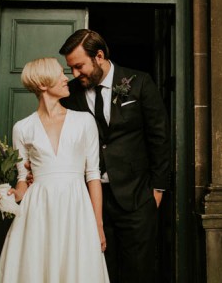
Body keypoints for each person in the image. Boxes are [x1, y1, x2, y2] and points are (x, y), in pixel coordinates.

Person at [58, 29, 171, 283]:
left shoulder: (140, 82)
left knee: (138, 272)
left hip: (137, 197)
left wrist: (157, 189)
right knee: (98, 271)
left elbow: (160, 138)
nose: (74, 75)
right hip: (90, 201)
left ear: (99, 56)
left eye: (79, 66)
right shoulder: (70, 94)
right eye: (71, 69)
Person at [0, 57, 110, 283]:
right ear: (43, 84)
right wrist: (9, 195)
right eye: (59, 74)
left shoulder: (84, 121)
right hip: (37, 211)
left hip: (77, 209)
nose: (66, 78)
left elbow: (93, 176)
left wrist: (98, 225)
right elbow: (22, 180)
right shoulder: (22, 128)